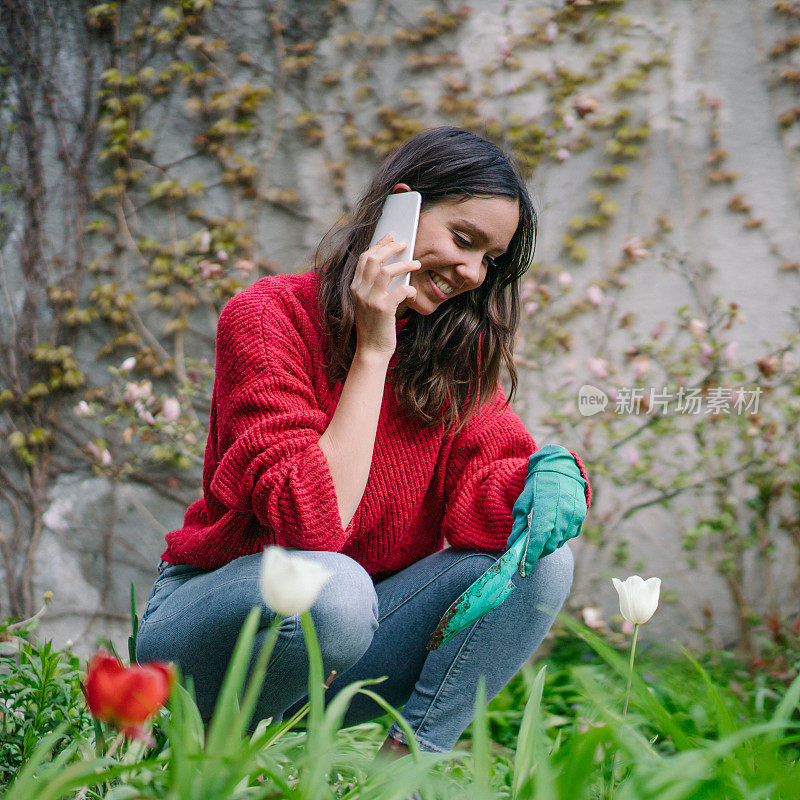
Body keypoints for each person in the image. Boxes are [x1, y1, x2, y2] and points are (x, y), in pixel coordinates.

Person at [135, 126, 591, 757]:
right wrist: (375, 350)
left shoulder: (453, 354)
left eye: (489, 259)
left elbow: (490, 504)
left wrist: (548, 476)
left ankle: (400, 779)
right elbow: (309, 523)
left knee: (541, 560)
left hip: (350, 637)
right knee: (332, 587)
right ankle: (198, 751)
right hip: (222, 630)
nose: (471, 272)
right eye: (463, 240)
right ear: (398, 207)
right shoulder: (269, 318)